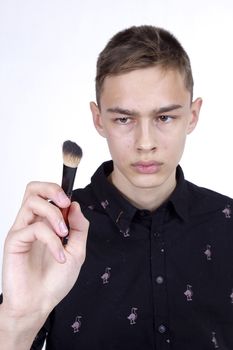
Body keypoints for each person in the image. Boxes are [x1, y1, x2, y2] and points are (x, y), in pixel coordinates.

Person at [0, 25, 233, 350]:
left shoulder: (228, 224)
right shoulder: (55, 237)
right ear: (99, 119)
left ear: (192, 116)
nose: (146, 143)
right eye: (124, 119)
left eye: (165, 118)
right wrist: (17, 319)